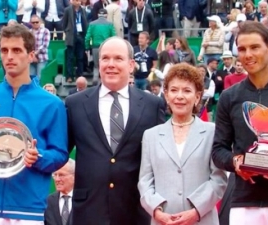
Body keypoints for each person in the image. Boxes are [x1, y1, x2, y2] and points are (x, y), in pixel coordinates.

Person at [65, 36, 165, 225]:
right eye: (105, 58)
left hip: (135, 211)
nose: (111, 64)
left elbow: (161, 157)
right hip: (88, 211)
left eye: (118, 59)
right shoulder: (75, 104)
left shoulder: (152, 105)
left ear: (131, 64)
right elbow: (60, 151)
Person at [212, 21, 268, 225]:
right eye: (242, 49)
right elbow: (218, 150)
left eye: (254, 47)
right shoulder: (229, 97)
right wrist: (236, 162)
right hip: (244, 203)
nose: (247, 54)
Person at [0, 24, 68, 224]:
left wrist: (39, 157)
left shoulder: (51, 104)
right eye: (4, 50)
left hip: (28, 210)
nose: (9, 56)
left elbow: (60, 154)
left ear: (31, 55)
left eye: (17, 50)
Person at [138, 63, 227, 225]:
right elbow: (145, 181)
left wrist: (196, 211)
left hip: (202, 220)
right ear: (166, 95)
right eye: (174, 90)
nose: (179, 96)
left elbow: (218, 179)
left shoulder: (212, 132)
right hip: (163, 221)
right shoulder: (151, 135)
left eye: (187, 91)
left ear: (197, 97)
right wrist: (157, 211)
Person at [85, 8, 116, 84]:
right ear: (106, 15)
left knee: (96, 66)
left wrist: (87, 47)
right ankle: (105, 81)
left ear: (98, 15)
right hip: (107, 48)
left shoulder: (92, 24)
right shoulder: (110, 24)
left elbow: (87, 37)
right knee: (106, 65)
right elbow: (114, 37)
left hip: (95, 48)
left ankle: (95, 81)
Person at [63, 0, 88, 83]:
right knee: (70, 57)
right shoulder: (67, 10)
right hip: (71, 36)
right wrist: (68, 31)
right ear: (72, 1)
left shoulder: (83, 10)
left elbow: (85, 23)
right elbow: (64, 24)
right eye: (76, 0)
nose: (78, 2)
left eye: (79, 1)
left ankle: (79, 75)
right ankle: (69, 76)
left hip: (81, 35)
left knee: (80, 57)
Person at [45, 159, 75, 225]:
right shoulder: (47, 202)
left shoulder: (85, 201)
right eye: (55, 175)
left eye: (61, 175)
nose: (57, 179)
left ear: (74, 176)